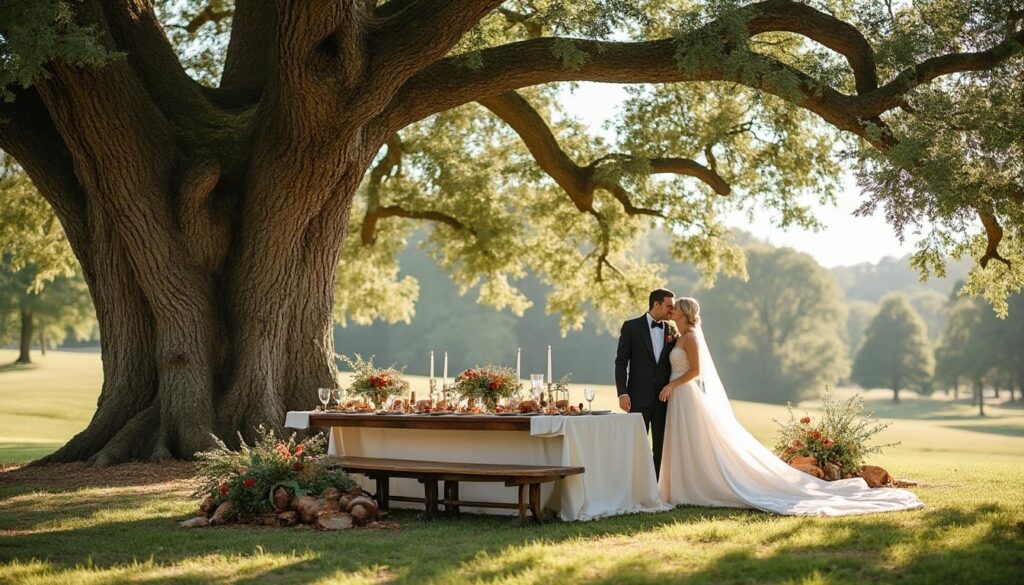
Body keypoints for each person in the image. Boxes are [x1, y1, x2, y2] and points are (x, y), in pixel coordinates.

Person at [657, 297, 924, 516]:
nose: (672, 309)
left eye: (676, 307)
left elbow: (696, 371)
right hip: (678, 395)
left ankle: (696, 487)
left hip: (684, 392)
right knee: (683, 440)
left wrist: (672, 385)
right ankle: (680, 487)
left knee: (697, 440)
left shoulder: (691, 338)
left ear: (685, 312)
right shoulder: (677, 336)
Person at [615, 288, 677, 479]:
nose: (672, 310)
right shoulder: (631, 327)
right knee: (635, 447)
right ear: (656, 304)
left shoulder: (672, 331)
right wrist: (622, 393)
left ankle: (655, 488)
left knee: (661, 447)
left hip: (664, 399)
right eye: (669, 306)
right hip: (637, 398)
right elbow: (621, 363)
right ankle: (634, 485)